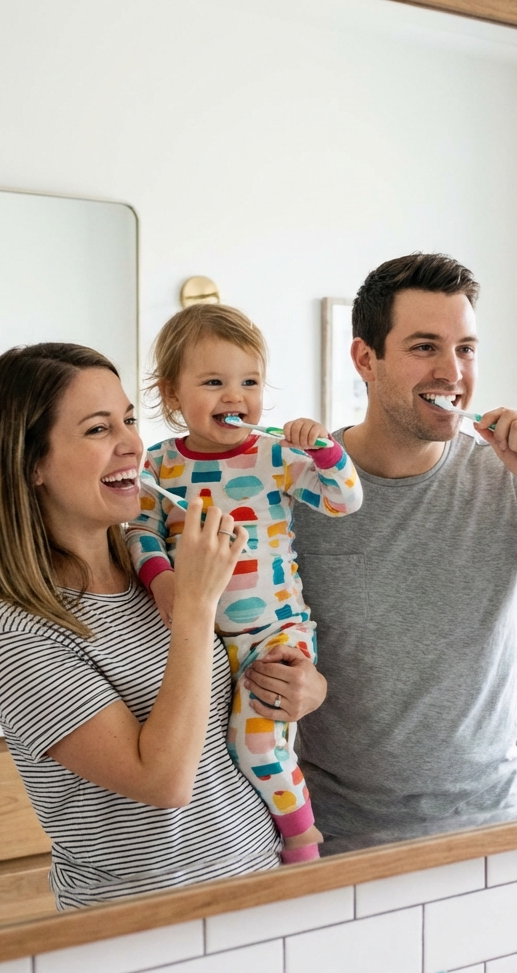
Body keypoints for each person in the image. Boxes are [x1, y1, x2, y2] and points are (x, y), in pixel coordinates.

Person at [292, 253, 517, 853]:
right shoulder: (298, 487)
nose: (451, 371)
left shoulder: (510, 483)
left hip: (490, 830)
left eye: (466, 349)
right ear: (365, 359)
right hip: (338, 839)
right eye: (425, 347)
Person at [0, 343, 327, 909]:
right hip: (141, 931)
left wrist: (304, 687)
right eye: (97, 429)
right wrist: (197, 606)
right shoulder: (13, 631)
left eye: (129, 419)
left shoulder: (153, 571)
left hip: (257, 886)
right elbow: (164, 781)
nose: (132, 443)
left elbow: (231, 699)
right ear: (31, 463)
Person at [126, 304, 363, 863]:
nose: (235, 397)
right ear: (171, 395)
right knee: (208, 757)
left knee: (256, 746)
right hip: (201, 640)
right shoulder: (158, 466)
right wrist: (161, 581)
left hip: (275, 635)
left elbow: (344, 498)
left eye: (249, 382)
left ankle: (302, 838)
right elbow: (139, 532)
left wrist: (326, 450)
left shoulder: (275, 457)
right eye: (214, 382)